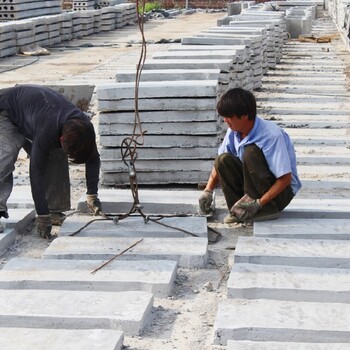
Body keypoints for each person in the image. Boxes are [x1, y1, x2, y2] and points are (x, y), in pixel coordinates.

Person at [0, 84, 102, 238]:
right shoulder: (47, 131)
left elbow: (93, 159)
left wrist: (92, 195)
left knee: (56, 155)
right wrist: (41, 215)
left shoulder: (84, 128)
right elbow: (36, 171)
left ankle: (54, 210)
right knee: (5, 156)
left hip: (33, 115)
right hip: (8, 111)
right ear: (61, 138)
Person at [199, 87, 302, 224]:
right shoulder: (234, 131)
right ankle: (240, 209)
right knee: (222, 160)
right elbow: (220, 163)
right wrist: (208, 190)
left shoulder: (271, 136)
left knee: (251, 152)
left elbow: (285, 179)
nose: (225, 121)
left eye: (229, 117)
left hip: (279, 194)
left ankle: (265, 210)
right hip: (254, 186)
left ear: (245, 116)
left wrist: (258, 203)